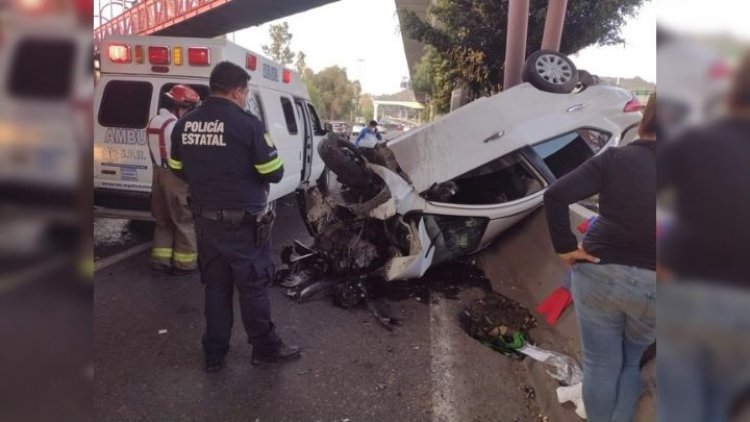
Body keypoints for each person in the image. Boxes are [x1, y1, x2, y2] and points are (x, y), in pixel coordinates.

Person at [169, 61, 300, 372]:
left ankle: (214, 353)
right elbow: (274, 171)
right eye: (244, 92)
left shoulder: (184, 125)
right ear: (237, 91)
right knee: (253, 286)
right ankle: (264, 349)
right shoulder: (248, 124)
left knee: (215, 287)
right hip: (244, 225)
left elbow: (176, 168)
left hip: (206, 222)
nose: (244, 97)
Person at [544, 93, 657, 421]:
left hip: (599, 272)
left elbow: (555, 195)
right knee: (631, 362)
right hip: (657, 285)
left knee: (602, 365)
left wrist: (566, 247)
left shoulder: (614, 160)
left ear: (644, 118)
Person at [657, 52, 750, 422]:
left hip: (685, 288)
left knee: (682, 409)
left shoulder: (697, 140)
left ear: (729, 95)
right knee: (721, 407)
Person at [146, 84, 201, 273]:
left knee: (163, 220)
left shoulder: (154, 121)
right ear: (180, 106)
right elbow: (186, 158)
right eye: (190, 109)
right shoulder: (176, 127)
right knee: (184, 220)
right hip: (175, 177)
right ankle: (185, 263)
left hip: (157, 174)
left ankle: (160, 260)